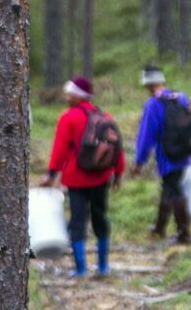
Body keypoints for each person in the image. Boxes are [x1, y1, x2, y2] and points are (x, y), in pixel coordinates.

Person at [40, 77, 125, 277]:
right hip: (101, 177)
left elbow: (59, 150)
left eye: (69, 92)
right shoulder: (104, 116)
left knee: (77, 221)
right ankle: (103, 266)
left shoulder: (68, 117)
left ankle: (80, 269)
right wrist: (118, 173)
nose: (66, 96)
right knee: (100, 218)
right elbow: (116, 148)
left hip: (76, 179)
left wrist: (51, 174)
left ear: (78, 95)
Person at [132, 65, 191, 244]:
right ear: (162, 81)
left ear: (147, 86)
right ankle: (159, 228)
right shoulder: (180, 97)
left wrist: (139, 161)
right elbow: (190, 125)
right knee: (169, 188)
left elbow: (146, 135)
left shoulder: (152, 104)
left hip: (168, 155)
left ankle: (184, 234)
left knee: (174, 190)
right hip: (185, 152)